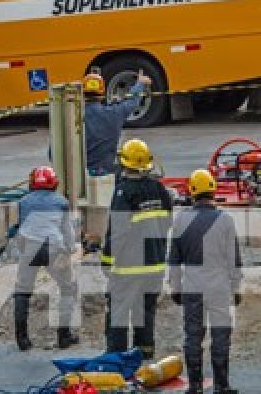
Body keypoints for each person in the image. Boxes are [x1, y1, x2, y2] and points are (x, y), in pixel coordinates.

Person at [169, 169, 241, 394]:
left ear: (191, 192)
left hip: (193, 288)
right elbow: (233, 260)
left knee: (193, 337)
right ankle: (222, 385)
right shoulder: (226, 221)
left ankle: (195, 386)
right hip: (219, 288)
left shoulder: (181, 220)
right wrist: (236, 288)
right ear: (213, 191)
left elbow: (174, 261)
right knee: (220, 335)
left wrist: (176, 288)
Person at [101, 138, 172, 357]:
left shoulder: (124, 192)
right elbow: (167, 222)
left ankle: (117, 356)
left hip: (128, 267)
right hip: (154, 264)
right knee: (146, 309)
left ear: (125, 164)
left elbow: (119, 231)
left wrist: (107, 260)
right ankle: (144, 351)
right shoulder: (159, 189)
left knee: (119, 312)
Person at [12, 165, 79, 351]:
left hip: (29, 248)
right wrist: (70, 250)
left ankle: (22, 339)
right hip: (53, 247)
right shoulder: (61, 202)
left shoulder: (23, 202)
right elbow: (67, 231)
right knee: (68, 287)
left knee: (22, 291)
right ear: (54, 184)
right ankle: (64, 336)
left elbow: (21, 230)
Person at [82, 70, 148, 177]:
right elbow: (132, 102)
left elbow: (52, 154)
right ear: (102, 93)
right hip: (106, 173)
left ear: (82, 93)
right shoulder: (114, 113)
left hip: (78, 177)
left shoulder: (73, 118)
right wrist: (140, 83)